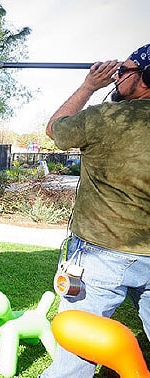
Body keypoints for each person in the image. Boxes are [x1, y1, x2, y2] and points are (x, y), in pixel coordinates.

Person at [40, 44, 150, 378]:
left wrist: (90, 86)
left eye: (126, 71)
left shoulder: (108, 118)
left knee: (75, 355)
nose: (117, 76)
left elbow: (56, 129)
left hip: (101, 253)